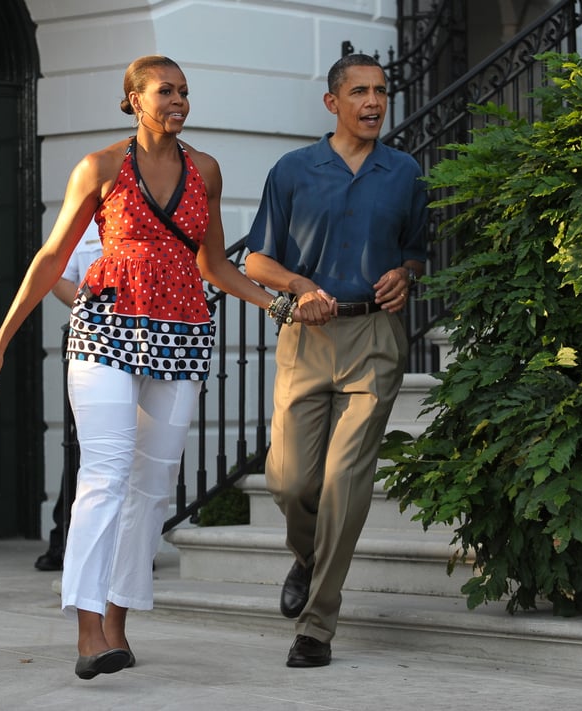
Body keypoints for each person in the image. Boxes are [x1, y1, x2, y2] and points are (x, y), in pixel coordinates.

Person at [0, 55, 298, 681]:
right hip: (105, 331)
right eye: (164, 91)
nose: (178, 100)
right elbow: (51, 258)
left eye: (184, 91)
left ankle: (118, 622)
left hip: (180, 335)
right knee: (105, 473)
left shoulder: (205, 170)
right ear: (133, 99)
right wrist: (1, 341)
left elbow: (215, 266)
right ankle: (88, 630)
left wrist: (277, 303)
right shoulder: (98, 168)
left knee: (151, 489)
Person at [244, 53, 428, 668]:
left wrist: (406, 274)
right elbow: (255, 263)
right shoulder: (293, 170)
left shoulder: (405, 173)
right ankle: (306, 555)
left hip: (374, 338)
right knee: (290, 481)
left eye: (381, 91)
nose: (374, 102)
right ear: (333, 102)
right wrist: (299, 287)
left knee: (346, 484)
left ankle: (317, 627)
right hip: (306, 338)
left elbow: (414, 253)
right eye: (360, 92)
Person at [33, 223, 103, 572]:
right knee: (82, 447)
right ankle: (63, 538)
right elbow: (57, 277)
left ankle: (129, 550)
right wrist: (90, 305)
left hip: (145, 345)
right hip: (93, 345)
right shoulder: (85, 220)